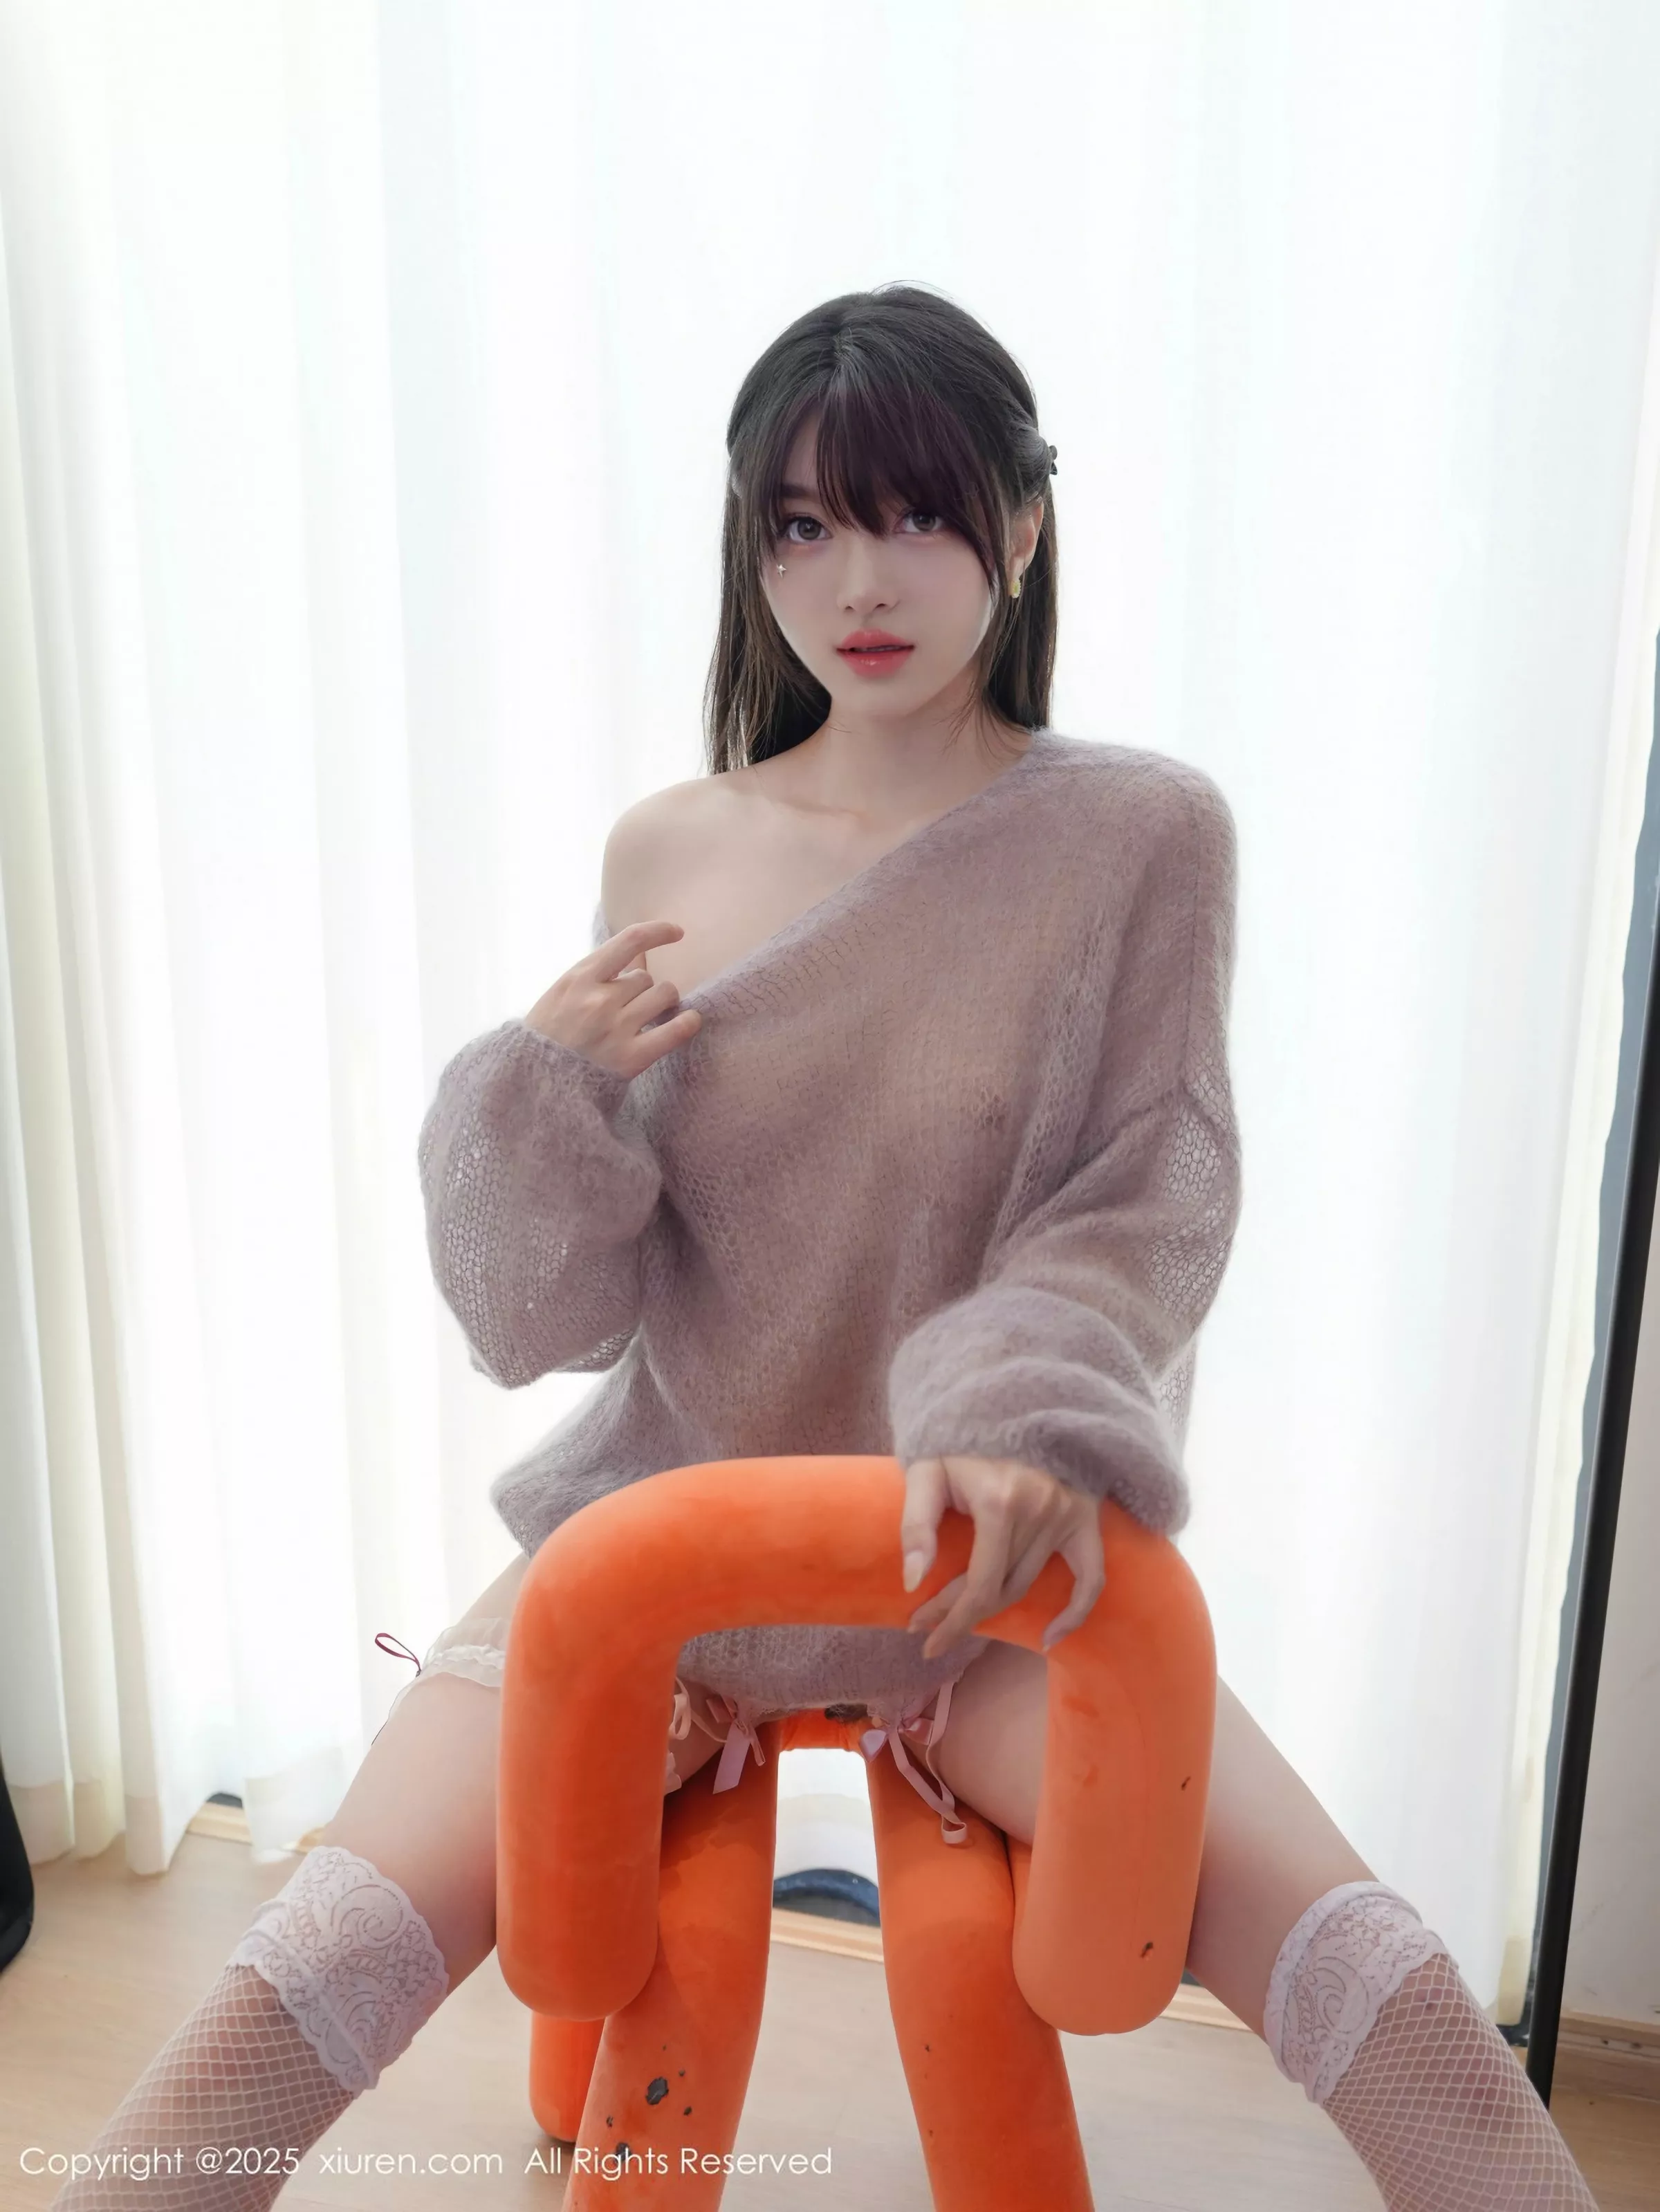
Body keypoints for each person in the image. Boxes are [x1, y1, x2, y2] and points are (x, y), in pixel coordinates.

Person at [55, 285, 1598, 2210]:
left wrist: (1022, 1407)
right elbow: (553, 1317)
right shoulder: (669, 849)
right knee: (298, 1977)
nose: (857, 579)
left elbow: (1152, 1183)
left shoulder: (1143, 836)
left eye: (918, 512)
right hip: (663, 1544)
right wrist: (541, 1098)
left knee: (1388, 1994)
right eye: (800, 525)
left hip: (981, 1574)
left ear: (1021, 527)